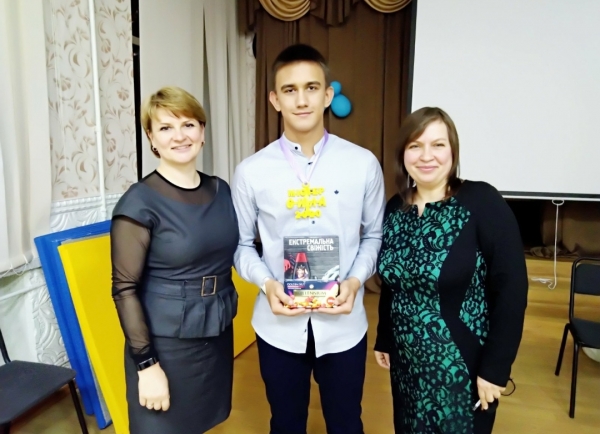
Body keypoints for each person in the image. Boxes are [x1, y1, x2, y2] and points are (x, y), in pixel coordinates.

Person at [232, 44, 385, 434]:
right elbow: (242, 245)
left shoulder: (363, 163)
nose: (301, 100)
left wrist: (355, 282)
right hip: (278, 326)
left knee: (346, 423)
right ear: (275, 99)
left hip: (344, 324)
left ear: (328, 95)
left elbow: (374, 236)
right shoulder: (251, 171)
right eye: (290, 90)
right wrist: (267, 284)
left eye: (312, 88)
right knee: (285, 424)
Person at [374, 107, 528, 433]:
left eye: (438, 145)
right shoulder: (395, 208)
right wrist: (384, 337)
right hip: (406, 363)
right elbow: (393, 284)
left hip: (462, 364)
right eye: (415, 146)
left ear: (453, 151)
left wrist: (495, 368)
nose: (426, 155)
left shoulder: (481, 201)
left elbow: (512, 290)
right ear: (403, 154)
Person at [110, 86, 239, 434]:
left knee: (202, 424)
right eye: (166, 128)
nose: (179, 136)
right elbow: (124, 289)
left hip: (216, 334)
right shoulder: (138, 203)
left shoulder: (221, 190)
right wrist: (147, 365)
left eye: (188, 125)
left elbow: (239, 250)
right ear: (151, 138)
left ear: (202, 131)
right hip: (165, 346)